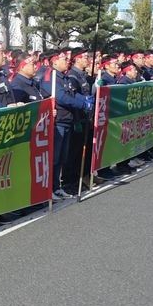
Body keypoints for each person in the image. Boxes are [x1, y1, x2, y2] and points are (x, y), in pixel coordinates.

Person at [40, 49, 93, 199]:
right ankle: (49, 188)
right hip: (58, 122)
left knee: (62, 157)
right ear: (54, 61)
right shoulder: (51, 76)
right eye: (63, 59)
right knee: (55, 157)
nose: (67, 61)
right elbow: (61, 97)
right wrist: (81, 104)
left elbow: (71, 93)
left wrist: (85, 99)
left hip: (67, 120)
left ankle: (57, 187)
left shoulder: (63, 77)